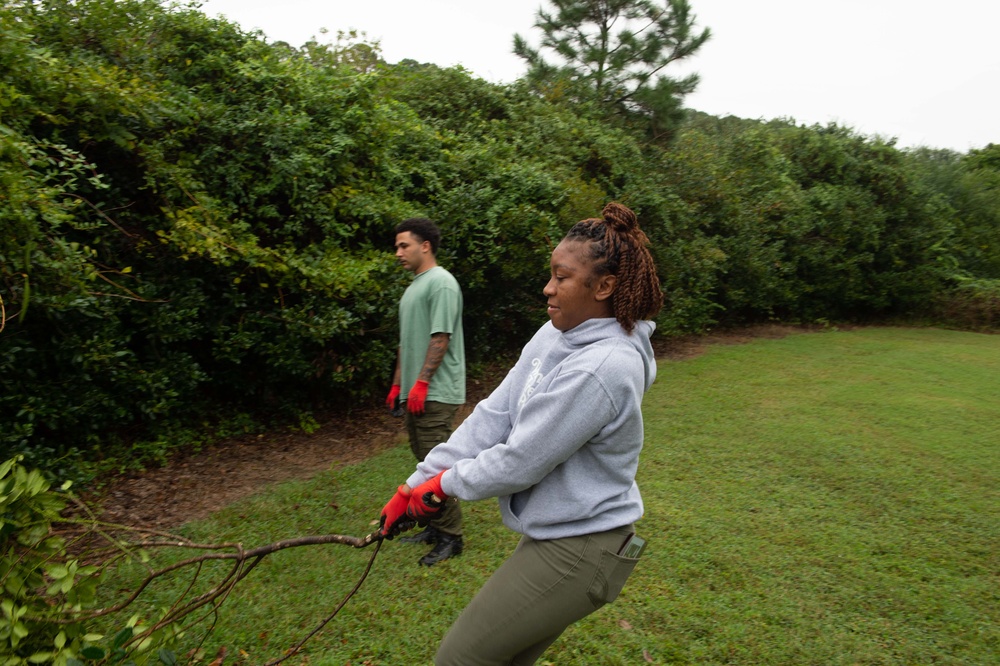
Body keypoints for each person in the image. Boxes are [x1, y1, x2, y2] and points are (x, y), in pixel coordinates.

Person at [379, 202, 663, 665]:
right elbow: (495, 414)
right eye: (551, 273)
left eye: (562, 277)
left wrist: (443, 486)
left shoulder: (605, 366)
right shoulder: (555, 333)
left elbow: (521, 460)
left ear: (605, 286)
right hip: (561, 537)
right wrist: (415, 481)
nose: (547, 287)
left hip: (584, 548)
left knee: (457, 660)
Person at [386, 216, 467, 566]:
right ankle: (434, 526)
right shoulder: (412, 288)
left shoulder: (442, 283)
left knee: (437, 469)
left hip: (437, 391)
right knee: (425, 463)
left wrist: (421, 383)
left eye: (403, 245)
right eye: (396, 247)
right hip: (416, 392)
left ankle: (452, 537)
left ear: (425, 246)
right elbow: (407, 344)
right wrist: (397, 384)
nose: (398, 253)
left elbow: (441, 337)